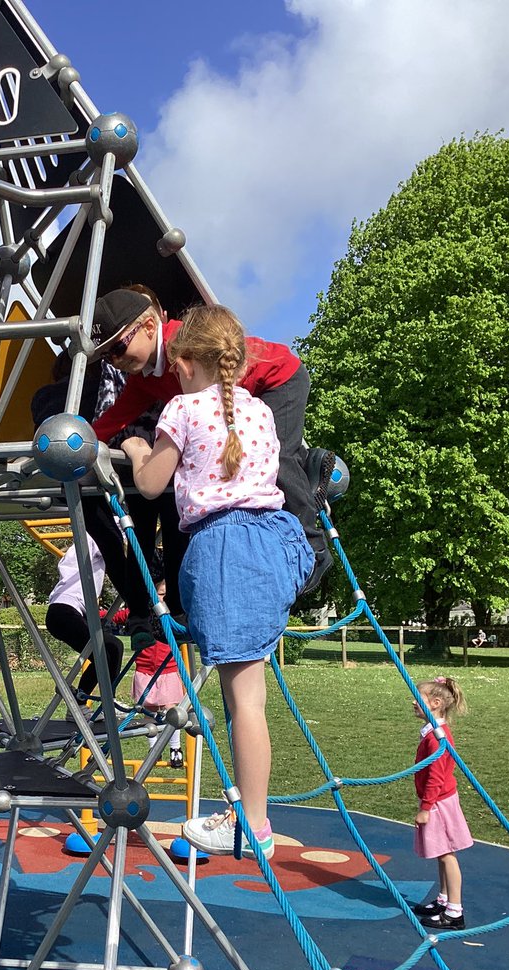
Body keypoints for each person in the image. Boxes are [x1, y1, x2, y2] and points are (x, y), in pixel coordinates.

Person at [121, 304, 314, 860]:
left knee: (245, 702)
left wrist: (137, 448)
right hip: (277, 540)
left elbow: (153, 484)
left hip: (227, 548)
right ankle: (249, 814)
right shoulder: (255, 407)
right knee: (244, 696)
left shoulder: (181, 409)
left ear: (183, 363)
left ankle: (253, 824)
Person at [90, 289, 333, 613]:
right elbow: (112, 419)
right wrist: (75, 444)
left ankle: (313, 548)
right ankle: (304, 475)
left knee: (276, 463)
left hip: (277, 381)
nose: (116, 361)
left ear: (150, 327)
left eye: (118, 348)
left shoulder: (189, 344)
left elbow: (231, 386)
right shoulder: (145, 379)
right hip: (243, 399)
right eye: (108, 357)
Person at [410, 676, 472, 931]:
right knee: (441, 853)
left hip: (440, 802)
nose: (413, 702)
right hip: (439, 799)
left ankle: (455, 912)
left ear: (435, 703)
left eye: (418, 698)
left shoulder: (437, 738)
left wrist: (426, 809)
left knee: (447, 854)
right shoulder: (433, 732)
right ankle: (444, 899)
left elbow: (436, 775)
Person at [45, 536, 123, 703]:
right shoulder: (88, 541)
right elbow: (110, 533)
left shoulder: (80, 554)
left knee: (109, 650)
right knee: (110, 648)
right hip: (64, 612)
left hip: (69, 612)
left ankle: (86, 701)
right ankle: (101, 703)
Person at [133, 573, 185, 768]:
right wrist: (101, 615)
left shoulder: (171, 616)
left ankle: (175, 749)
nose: (160, 599)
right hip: (145, 671)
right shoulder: (142, 615)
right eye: (157, 594)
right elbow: (123, 616)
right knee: (149, 711)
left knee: (172, 710)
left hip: (167, 669)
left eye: (163, 594)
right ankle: (154, 749)